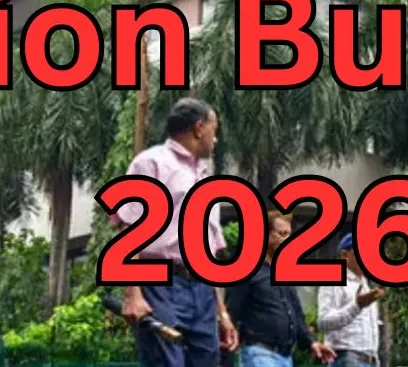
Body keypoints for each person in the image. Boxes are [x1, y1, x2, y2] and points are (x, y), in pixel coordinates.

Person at [113, 98, 239, 367]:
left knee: (207, 361)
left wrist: (222, 313)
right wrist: (133, 295)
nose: (215, 139)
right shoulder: (150, 163)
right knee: (166, 361)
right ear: (199, 128)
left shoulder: (205, 179)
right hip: (161, 284)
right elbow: (128, 233)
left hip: (203, 290)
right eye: (214, 130)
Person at [226, 211, 337, 367]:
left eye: (288, 235)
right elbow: (232, 311)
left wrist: (312, 343)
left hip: (285, 357)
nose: (287, 240)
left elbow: (296, 314)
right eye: (281, 234)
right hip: (260, 353)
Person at [316, 233, 385, 367]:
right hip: (347, 357)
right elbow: (323, 322)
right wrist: (357, 305)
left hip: (371, 359)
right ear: (345, 255)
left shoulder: (365, 284)